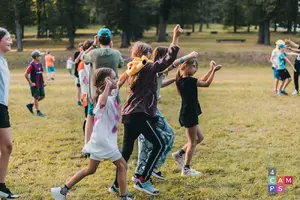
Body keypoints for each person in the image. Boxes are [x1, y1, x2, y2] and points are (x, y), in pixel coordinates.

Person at [109, 25, 182, 196]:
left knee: (126, 152)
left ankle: (116, 185)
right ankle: (143, 179)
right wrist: (175, 37)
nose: (151, 56)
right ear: (145, 55)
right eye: (149, 54)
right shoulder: (147, 67)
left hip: (129, 114)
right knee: (159, 144)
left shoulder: (133, 69)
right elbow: (167, 60)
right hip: (139, 115)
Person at [51, 68, 133, 200]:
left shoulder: (112, 94)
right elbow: (102, 103)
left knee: (90, 169)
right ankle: (123, 197)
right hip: (103, 140)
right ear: (106, 82)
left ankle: (62, 190)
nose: (116, 80)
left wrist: (132, 69)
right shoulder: (103, 97)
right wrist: (107, 86)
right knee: (122, 165)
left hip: (102, 139)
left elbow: (120, 81)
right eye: (113, 77)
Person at [133, 48, 199, 181]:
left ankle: (150, 169)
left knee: (159, 139)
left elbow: (160, 83)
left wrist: (173, 81)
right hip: (147, 110)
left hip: (150, 109)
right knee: (154, 140)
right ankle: (142, 173)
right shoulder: (155, 68)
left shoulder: (152, 69)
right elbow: (172, 65)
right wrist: (189, 56)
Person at [172, 59, 222, 176]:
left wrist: (210, 70)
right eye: (194, 66)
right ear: (186, 66)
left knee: (199, 138)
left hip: (189, 113)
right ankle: (186, 169)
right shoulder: (189, 81)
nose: (195, 69)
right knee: (192, 142)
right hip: (189, 114)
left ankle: (179, 154)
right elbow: (206, 84)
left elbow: (202, 80)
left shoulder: (181, 79)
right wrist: (214, 71)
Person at [81, 28, 124, 145]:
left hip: (95, 92)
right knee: (113, 117)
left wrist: (93, 45)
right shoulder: (116, 53)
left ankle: (87, 144)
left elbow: (83, 57)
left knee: (90, 116)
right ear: (110, 40)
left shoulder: (93, 53)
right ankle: (110, 142)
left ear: (98, 39)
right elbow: (121, 63)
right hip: (112, 91)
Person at [0, 27, 19, 199]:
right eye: (7, 38)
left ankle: (1, 187)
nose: (10, 41)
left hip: (2, 107)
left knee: (7, 146)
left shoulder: (3, 61)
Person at [78, 40, 93, 136]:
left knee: (88, 115)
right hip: (87, 94)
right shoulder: (84, 64)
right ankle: (87, 136)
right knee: (88, 116)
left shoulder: (84, 63)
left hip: (86, 94)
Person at [25, 50, 46, 117]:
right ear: (36, 57)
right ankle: (38, 111)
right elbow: (26, 74)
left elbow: (41, 73)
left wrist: (43, 82)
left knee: (42, 96)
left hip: (40, 83)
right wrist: (31, 83)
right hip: (34, 84)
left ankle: (30, 105)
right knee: (36, 97)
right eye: (39, 56)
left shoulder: (39, 64)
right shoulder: (31, 65)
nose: (40, 57)